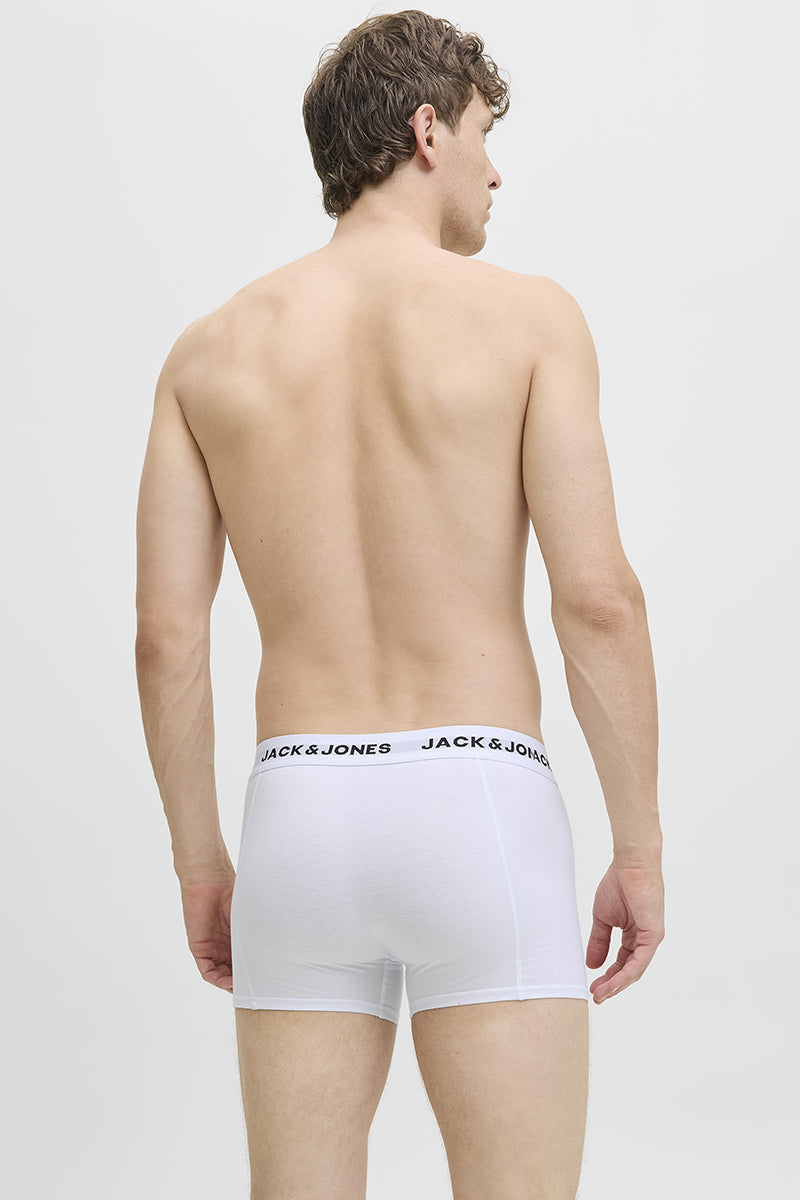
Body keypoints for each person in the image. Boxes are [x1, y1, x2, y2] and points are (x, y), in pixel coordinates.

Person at [135, 9, 664, 1199]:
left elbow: (165, 637)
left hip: (297, 816)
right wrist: (637, 846)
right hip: (480, 804)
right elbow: (596, 600)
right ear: (426, 131)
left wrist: (202, 865)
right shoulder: (528, 319)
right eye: (482, 134)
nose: (494, 170)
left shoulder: (208, 353)